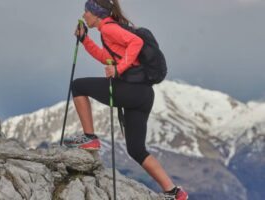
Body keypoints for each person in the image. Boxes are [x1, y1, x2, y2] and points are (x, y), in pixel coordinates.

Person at [63, 0, 189, 199]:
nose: (84, 14)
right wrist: (85, 39)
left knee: (78, 86)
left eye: (87, 11)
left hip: (130, 91)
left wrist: (118, 69)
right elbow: (107, 57)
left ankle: (89, 137)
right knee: (136, 149)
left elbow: (135, 43)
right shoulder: (110, 31)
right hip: (143, 94)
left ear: (96, 14)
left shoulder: (109, 30)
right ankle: (174, 192)